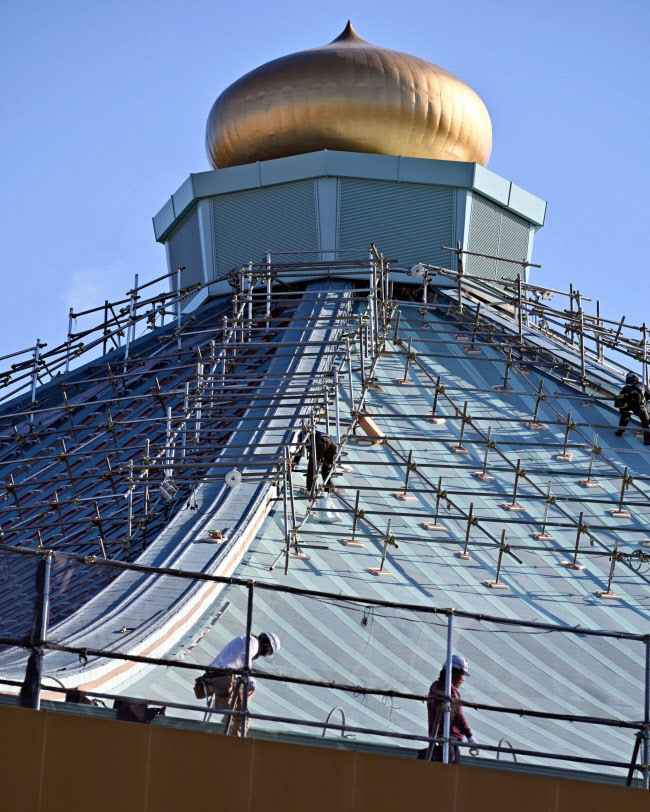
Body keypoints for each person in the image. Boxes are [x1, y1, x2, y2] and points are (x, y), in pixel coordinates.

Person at [198, 631, 280, 736]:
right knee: (244, 717)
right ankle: (234, 738)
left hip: (213, 677)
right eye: (268, 650)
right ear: (266, 643)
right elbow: (246, 657)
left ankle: (231, 713)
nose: (265, 653)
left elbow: (238, 662)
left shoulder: (245, 640)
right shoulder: (254, 642)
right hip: (220, 679)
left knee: (250, 683)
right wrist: (248, 670)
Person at [426, 654, 479, 763]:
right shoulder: (451, 692)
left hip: (435, 740)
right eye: (462, 674)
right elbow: (457, 715)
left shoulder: (434, 688)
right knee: (449, 771)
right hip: (450, 741)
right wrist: (469, 736)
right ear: (454, 673)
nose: (463, 679)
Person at [614, 373, 650, 446]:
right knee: (645, 421)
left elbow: (621, 397)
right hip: (639, 406)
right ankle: (647, 440)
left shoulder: (626, 387)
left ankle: (620, 431)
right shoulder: (641, 385)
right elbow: (649, 395)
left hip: (627, 406)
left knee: (625, 416)